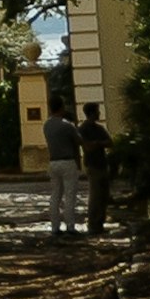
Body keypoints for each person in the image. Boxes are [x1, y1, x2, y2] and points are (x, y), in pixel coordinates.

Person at [42, 98, 85, 236]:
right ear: (61, 108)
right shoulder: (67, 125)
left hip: (53, 162)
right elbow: (79, 140)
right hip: (67, 161)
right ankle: (70, 226)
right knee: (70, 195)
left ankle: (55, 226)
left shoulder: (47, 125)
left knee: (55, 195)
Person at [79, 103, 115, 237]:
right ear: (92, 113)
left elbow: (110, 142)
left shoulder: (99, 128)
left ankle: (100, 223)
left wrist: (97, 143)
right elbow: (87, 146)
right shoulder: (83, 129)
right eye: (97, 111)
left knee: (104, 195)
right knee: (95, 195)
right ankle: (93, 224)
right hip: (92, 164)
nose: (99, 114)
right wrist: (99, 143)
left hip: (102, 163)